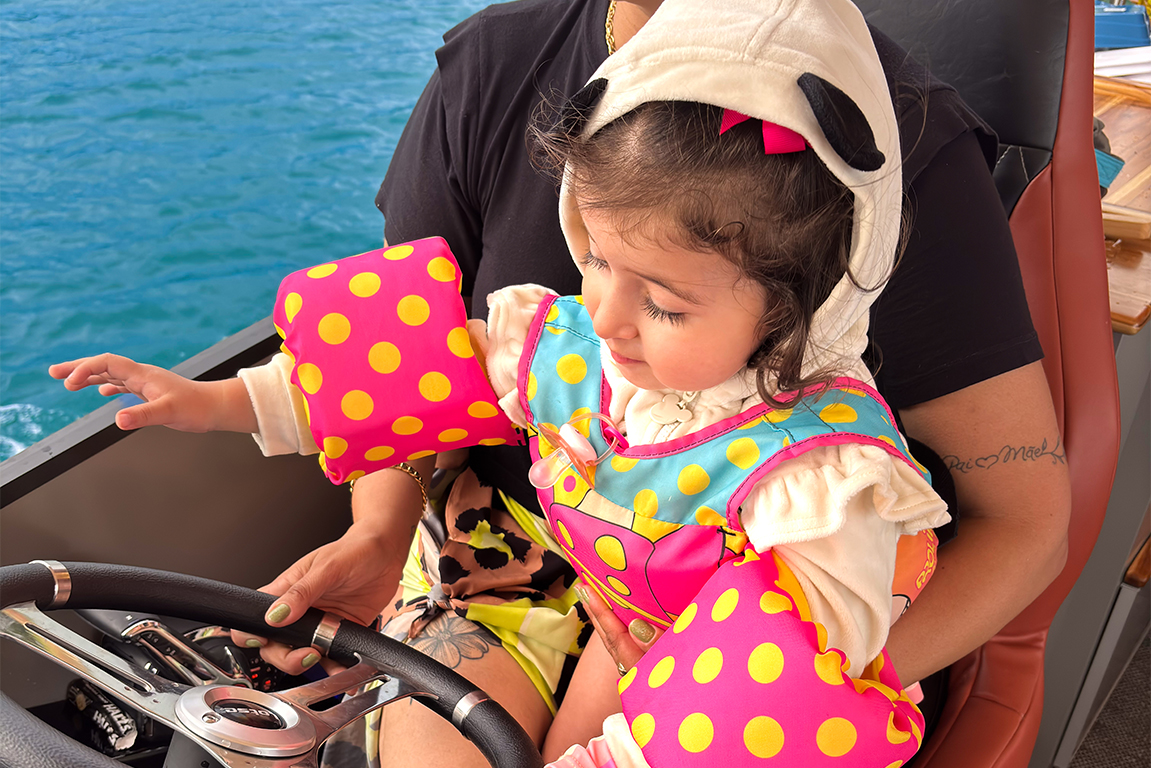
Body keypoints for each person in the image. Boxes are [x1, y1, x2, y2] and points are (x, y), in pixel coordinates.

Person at [52, 2, 951, 765]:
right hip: (622, 602)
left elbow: (775, 690)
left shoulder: (819, 485)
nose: (604, 317)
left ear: (797, 306)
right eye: (595, 261)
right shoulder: (578, 346)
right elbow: (408, 366)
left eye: (665, 306)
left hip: (703, 658)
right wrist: (215, 402)